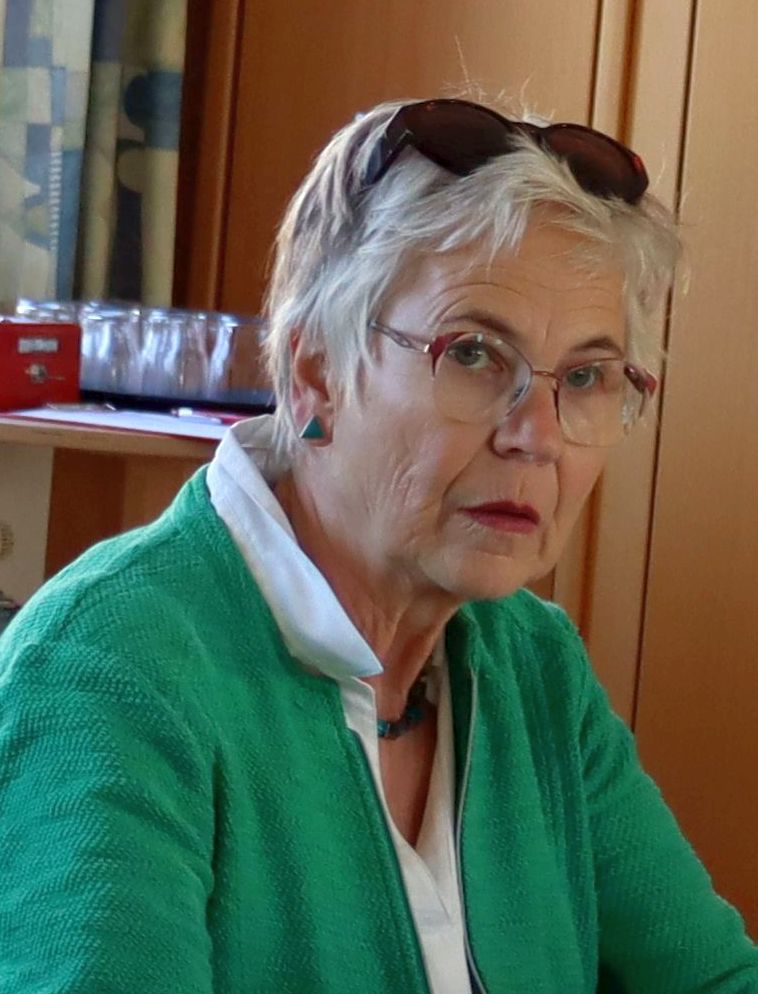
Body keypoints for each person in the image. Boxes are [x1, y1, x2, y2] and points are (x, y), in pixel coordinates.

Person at [0, 97, 756, 994]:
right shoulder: (107, 667)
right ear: (315, 371)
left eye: (587, 377)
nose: (538, 436)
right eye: (473, 354)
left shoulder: (533, 665)